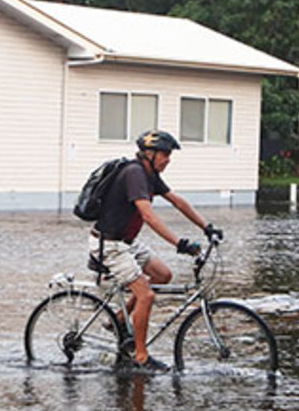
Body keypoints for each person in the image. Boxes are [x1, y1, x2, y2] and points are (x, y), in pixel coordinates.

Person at [89, 129, 217, 370]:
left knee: (163, 275)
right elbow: (148, 215)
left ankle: (118, 318)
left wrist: (206, 227)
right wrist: (178, 243)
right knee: (146, 295)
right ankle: (140, 356)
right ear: (148, 154)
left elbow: (177, 201)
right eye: (164, 154)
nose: (168, 159)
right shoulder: (135, 174)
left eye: (169, 155)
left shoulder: (150, 174)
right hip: (109, 244)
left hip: (126, 242)